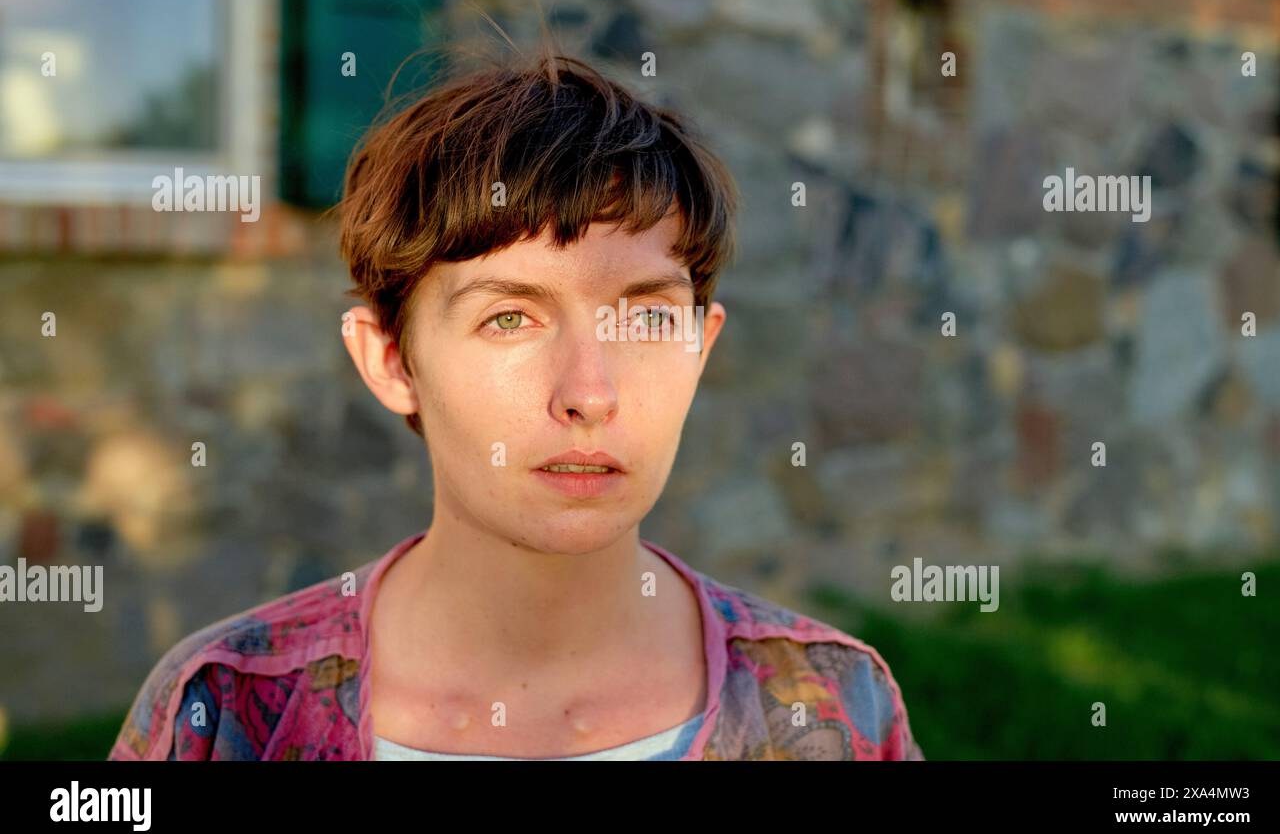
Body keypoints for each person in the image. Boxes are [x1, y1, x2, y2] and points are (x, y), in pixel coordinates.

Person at [109, 50, 923, 761]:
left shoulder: (832, 710)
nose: (589, 394)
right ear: (391, 360)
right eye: (510, 318)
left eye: (645, 317)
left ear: (700, 348)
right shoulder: (223, 717)